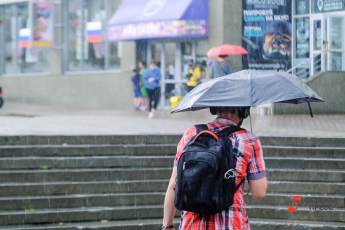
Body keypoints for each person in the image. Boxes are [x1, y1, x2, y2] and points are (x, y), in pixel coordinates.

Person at [162, 106, 267, 230]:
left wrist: (167, 225)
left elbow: (173, 184)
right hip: (231, 224)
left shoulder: (192, 134)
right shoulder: (248, 139)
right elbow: (259, 193)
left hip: (191, 225)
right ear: (244, 111)